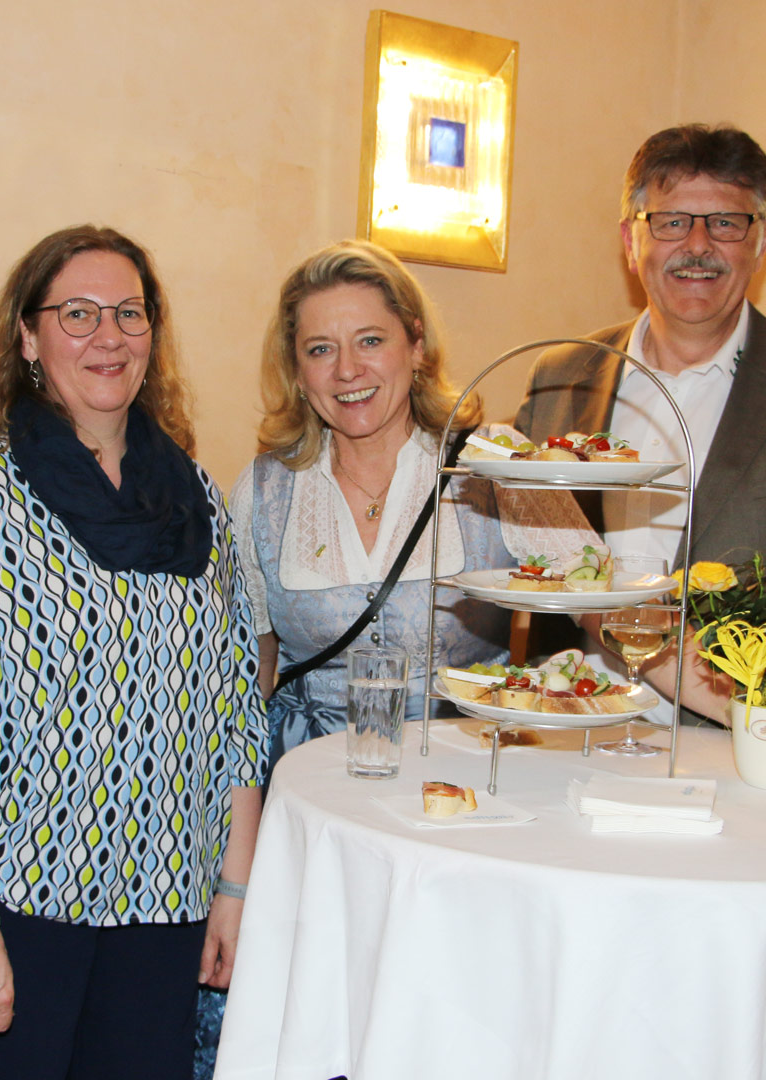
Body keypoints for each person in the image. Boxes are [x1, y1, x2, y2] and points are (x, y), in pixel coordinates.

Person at [0, 224, 267, 1080]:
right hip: (21, 909)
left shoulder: (196, 497)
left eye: (128, 313)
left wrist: (234, 888)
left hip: (169, 908)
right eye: (77, 313)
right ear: (28, 337)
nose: (108, 336)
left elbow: (234, 714)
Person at [514, 124, 766, 764]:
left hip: (748, 757)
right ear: (630, 240)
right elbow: (519, 558)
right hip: (566, 740)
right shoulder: (561, 377)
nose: (698, 246)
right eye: (671, 222)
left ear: (761, 240)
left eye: (726, 224)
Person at [228, 239, 599, 759]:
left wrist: (717, 700)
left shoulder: (496, 464)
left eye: (370, 340)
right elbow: (252, 666)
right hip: (305, 773)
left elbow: (609, 605)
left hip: (462, 774)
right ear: (297, 370)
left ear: (416, 345)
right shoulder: (264, 488)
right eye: (320, 349)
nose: (347, 370)